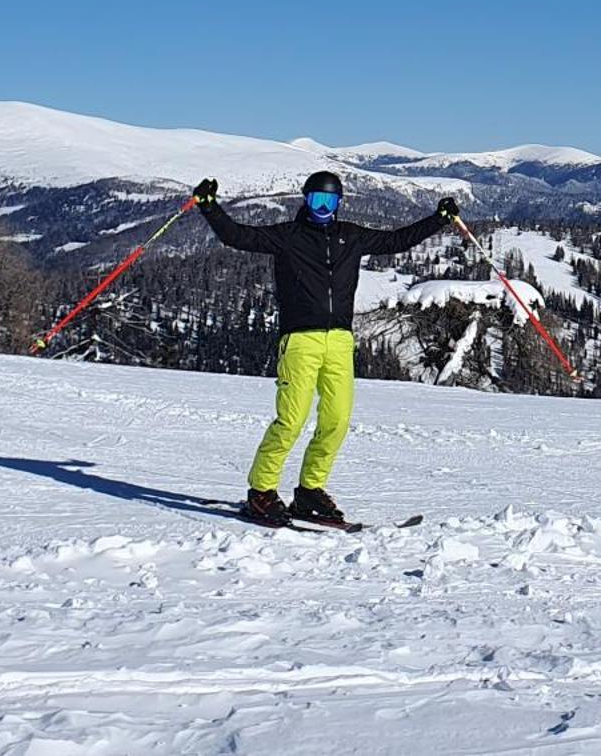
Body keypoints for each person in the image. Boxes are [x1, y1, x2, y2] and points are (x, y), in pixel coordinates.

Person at [192, 171, 460, 527]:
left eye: (329, 201)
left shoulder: (351, 236)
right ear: (305, 199)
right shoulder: (287, 237)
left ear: (339, 204)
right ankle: (261, 492)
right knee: (291, 420)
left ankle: (309, 490)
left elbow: (398, 240)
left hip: (340, 341)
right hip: (300, 340)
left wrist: (438, 220)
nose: (322, 207)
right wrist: (209, 207)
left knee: (337, 420)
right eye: (316, 200)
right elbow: (237, 236)